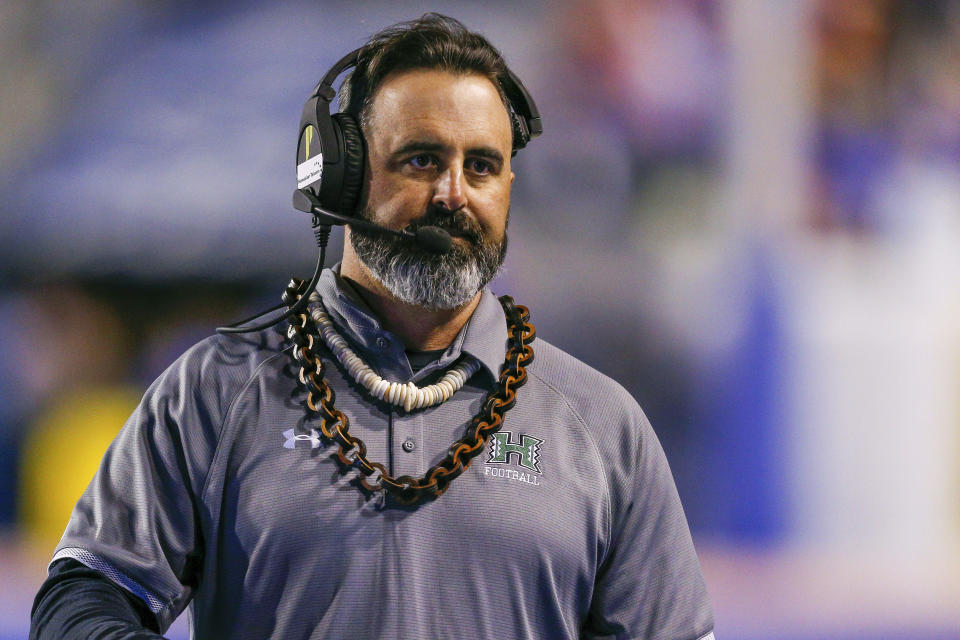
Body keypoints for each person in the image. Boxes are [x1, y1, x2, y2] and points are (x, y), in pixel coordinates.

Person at [30, 14, 714, 640]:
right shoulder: (215, 392)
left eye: (482, 166)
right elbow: (85, 599)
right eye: (421, 159)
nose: (454, 194)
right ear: (341, 178)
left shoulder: (600, 425)